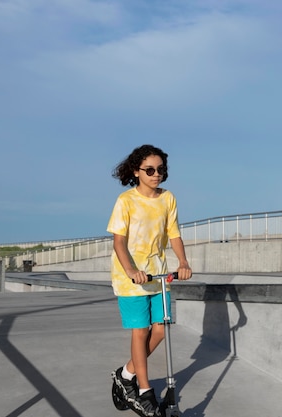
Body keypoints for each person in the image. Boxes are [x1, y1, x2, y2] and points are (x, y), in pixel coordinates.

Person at [108, 144, 192, 417]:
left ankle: (126, 373)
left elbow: (174, 234)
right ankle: (144, 391)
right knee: (141, 331)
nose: (157, 174)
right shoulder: (126, 201)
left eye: (161, 170)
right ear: (137, 171)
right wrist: (132, 270)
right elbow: (119, 242)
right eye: (150, 170)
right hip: (131, 278)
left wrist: (183, 262)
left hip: (158, 275)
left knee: (160, 329)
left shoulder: (168, 198)